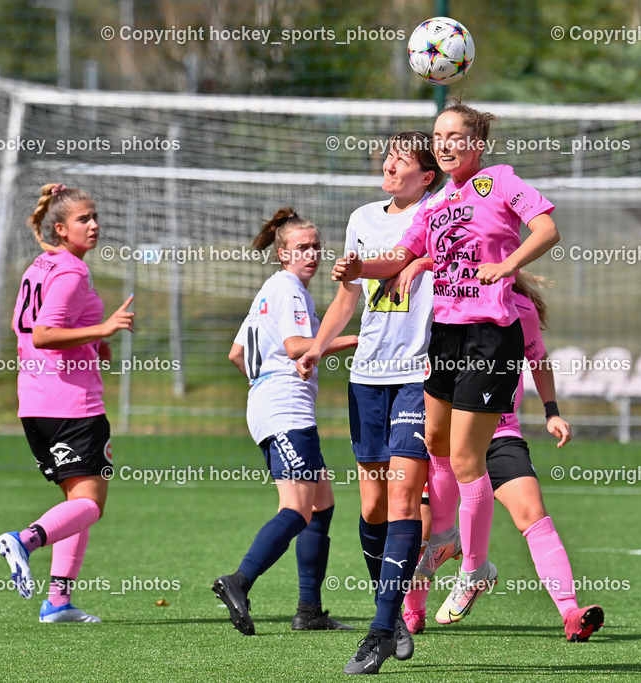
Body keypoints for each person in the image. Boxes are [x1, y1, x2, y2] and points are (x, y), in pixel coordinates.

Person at [333, 99, 560, 644]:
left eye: (455, 134)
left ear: (476, 143)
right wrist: (361, 267)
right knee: (436, 442)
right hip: (447, 338)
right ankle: (454, 549)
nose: (444, 141)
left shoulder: (501, 181)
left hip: (490, 336)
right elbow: (401, 254)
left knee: (462, 457)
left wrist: (508, 265)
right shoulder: (436, 205)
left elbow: (547, 228)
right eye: (439, 134)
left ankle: (472, 567)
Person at [295, 132, 443, 674]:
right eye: (387, 158)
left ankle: (381, 626)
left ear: (426, 176)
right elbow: (348, 297)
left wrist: (396, 266)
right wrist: (316, 346)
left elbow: (411, 265)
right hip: (367, 376)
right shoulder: (362, 217)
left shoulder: (440, 212)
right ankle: (393, 611)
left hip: (417, 374)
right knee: (374, 508)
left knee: (405, 502)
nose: (388, 166)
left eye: (401, 161)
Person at [402, 271, 605, 642]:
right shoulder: (442, 301)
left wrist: (552, 411)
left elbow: (538, 358)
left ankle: (570, 611)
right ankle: (412, 612)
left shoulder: (519, 308)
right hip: (445, 441)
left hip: (499, 435)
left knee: (533, 513)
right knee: (427, 530)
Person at [212, 207, 358, 636]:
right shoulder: (290, 289)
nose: (311, 254)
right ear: (282, 254)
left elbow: (237, 355)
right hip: (285, 410)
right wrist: (360, 339)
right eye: (301, 248)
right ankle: (238, 580)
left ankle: (309, 611)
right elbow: (297, 347)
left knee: (322, 505)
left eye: (316, 246)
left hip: (273, 404)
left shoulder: (269, 290)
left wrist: (266, 382)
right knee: (296, 509)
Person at [0, 182, 134, 623]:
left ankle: (58, 602)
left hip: (35, 402)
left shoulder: (44, 262)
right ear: (60, 228)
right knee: (91, 504)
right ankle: (26, 539)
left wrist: (95, 344)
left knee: (76, 505)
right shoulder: (71, 271)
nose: (94, 225)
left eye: (94, 216)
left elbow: (51, 327)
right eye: (83, 219)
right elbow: (45, 334)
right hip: (71, 404)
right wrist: (104, 330)